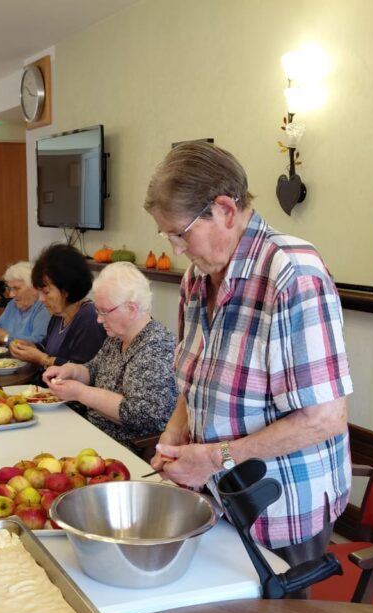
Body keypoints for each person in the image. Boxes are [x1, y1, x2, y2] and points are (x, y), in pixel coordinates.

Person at [144, 142, 352, 568]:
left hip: (281, 508)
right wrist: (173, 433)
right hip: (215, 499)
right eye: (167, 236)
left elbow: (325, 418)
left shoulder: (294, 274)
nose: (176, 249)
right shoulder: (196, 280)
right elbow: (194, 381)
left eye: (179, 234)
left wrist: (217, 457)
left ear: (224, 209)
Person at [44, 262, 177, 451]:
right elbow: (93, 370)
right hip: (93, 432)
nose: (98, 319)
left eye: (105, 311)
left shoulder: (157, 346)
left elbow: (142, 415)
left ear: (132, 309)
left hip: (124, 448)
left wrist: (81, 393)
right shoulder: (117, 336)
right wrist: (71, 371)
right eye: (98, 311)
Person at [9, 243, 106, 370]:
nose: (41, 299)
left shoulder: (89, 318)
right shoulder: (59, 313)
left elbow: (85, 371)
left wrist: (42, 359)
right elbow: (48, 348)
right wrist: (32, 347)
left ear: (66, 289)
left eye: (46, 292)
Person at [0, 261, 51, 346]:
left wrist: (4, 337)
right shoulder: (12, 305)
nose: (11, 295)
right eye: (10, 289)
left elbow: (38, 343)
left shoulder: (44, 307)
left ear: (34, 288)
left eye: (16, 288)